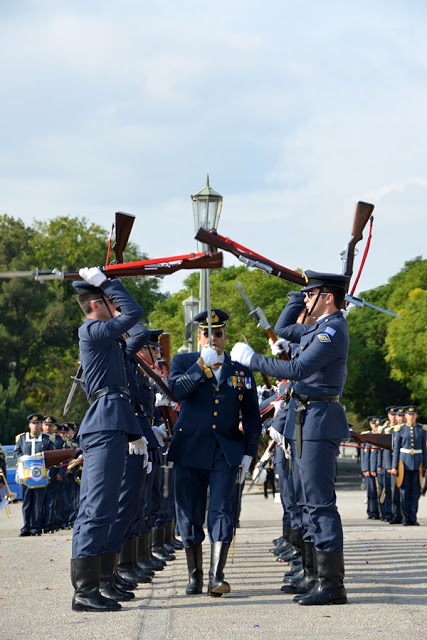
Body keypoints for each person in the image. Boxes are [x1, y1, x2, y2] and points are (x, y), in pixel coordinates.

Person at [231, 271, 350, 606]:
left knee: (319, 503)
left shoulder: (332, 330)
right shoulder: (317, 327)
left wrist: (252, 360)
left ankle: (331, 584)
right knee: (309, 502)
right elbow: (284, 328)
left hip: (318, 420)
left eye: (311, 294)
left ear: (327, 297)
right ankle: (315, 575)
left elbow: (296, 371)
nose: (305, 300)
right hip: (303, 418)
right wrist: (299, 291)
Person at [168, 308, 262, 597]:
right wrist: (199, 367)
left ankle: (216, 576)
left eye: (218, 334)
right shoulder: (183, 361)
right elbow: (176, 392)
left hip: (226, 450)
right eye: (207, 334)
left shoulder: (240, 370)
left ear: (225, 336)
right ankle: (194, 576)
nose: (213, 339)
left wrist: (249, 453)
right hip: (190, 448)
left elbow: (253, 418)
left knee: (222, 510)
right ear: (199, 337)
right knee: (189, 512)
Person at [70, 267, 145, 612]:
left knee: (106, 507)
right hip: (103, 423)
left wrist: (113, 287)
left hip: (113, 421)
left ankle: (96, 584)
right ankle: (85, 591)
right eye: (108, 301)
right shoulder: (94, 331)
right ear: (97, 303)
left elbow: (138, 329)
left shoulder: (107, 337)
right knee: (97, 508)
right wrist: (110, 284)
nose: (114, 306)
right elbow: (133, 314)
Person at [14, 414, 54, 536]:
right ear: (29, 425)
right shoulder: (21, 438)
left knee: (38, 503)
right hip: (26, 476)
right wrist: (22, 457)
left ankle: (35, 527)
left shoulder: (46, 439)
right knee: (27, 502)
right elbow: (16, 453)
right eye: (33, 423)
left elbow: (51, 455)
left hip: (40, 476)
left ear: (40, 425)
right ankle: (25, 527)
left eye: (37, 424)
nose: (35, 426)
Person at [391, 406, 427, 526]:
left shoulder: (422, 430)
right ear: (405, 416)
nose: (411, 417)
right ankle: (406, 518)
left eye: (413, 414)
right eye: (409, 415)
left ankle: (413, 517)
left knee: (415, 492)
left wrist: (426, 466)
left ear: (416, 415)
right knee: (404, 492)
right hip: (404, 464)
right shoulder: (400, 430)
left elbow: (424, 449)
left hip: (418, 464)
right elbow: (396, 449)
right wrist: (394, 466)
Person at [360, 417, 381, 520]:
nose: (375, 427)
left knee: (380, 492)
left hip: (378, 468)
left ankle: (379, 511)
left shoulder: (382, 437)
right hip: (369, 468)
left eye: (377, 425)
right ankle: (371, 511)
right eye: (373, 425)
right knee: (371, 492)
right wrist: (365, 469)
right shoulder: (367, 436)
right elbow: (365, 455)